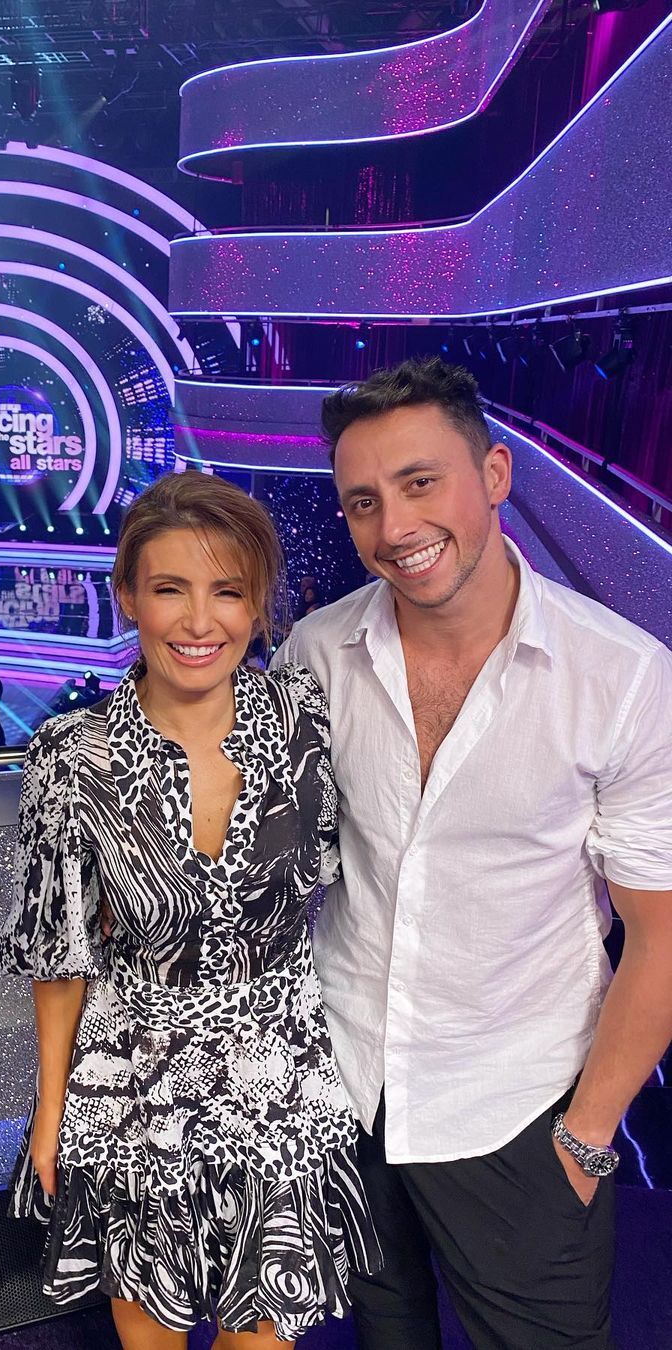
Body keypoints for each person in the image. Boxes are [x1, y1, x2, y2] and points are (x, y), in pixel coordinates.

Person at [273, 356, 672, 1350]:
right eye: (363, 502)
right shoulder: (315, 652)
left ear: (494, 475)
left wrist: (587, 1138)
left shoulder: (621, 678)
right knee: (384, 1336)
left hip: (516, 1112)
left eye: (421, 483)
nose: (395, 527)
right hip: (349, 1086)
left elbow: (661, 937)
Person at [0, 472, 380, 1349]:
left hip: (279, 1078)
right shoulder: (71, 756)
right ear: (129, 596)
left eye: (228, 592)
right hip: (132, 1084)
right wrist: (50, 1111)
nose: (200, 622)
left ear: (258, 604)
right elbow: (58, 955)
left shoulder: (306, 719)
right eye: (170, 589)